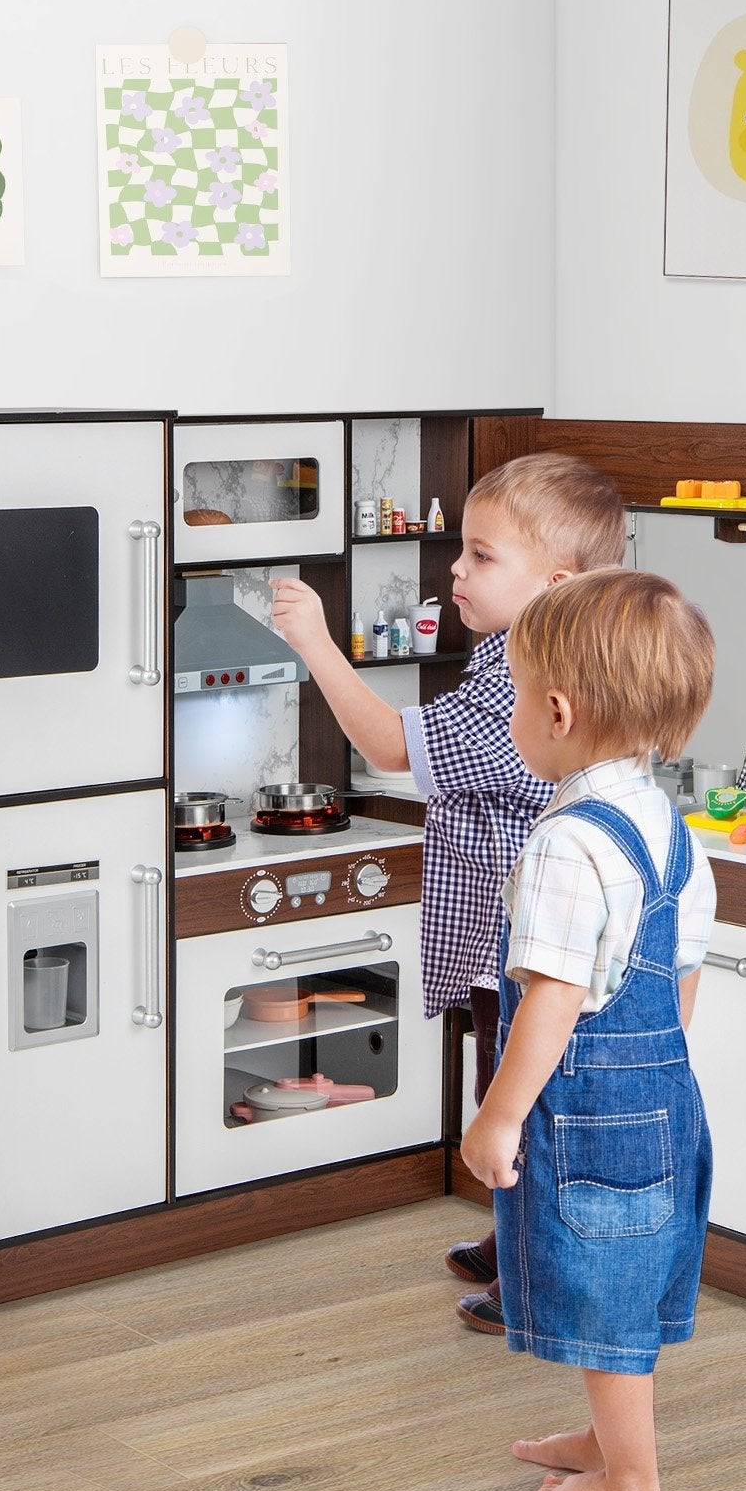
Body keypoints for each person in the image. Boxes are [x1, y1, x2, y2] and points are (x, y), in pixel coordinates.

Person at [269, 453, 627, 1331]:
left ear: (556, 583)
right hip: (493, 938)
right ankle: (515, 1244)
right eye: (460, 551)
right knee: (502, 1096)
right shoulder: (513, 655)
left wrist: (316, 640)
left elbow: (392, 747)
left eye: (480, 556)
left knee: (524, 1111)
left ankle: (532, 1281)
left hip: (523, 945)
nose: (456, 571)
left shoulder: (523, 676)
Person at [460, 567, 717, 1491]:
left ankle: (632, 1488)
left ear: (558, 711)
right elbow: (685, 967)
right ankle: (610, 1444)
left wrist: (501, 1113)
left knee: (603, 1297)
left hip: (587, 1102)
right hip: (662, 1088)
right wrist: (652, 1071)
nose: (514, 715)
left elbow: (554, 995)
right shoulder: (667, 824)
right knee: (615, 1274)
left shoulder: (568, 842)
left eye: (519, 697)